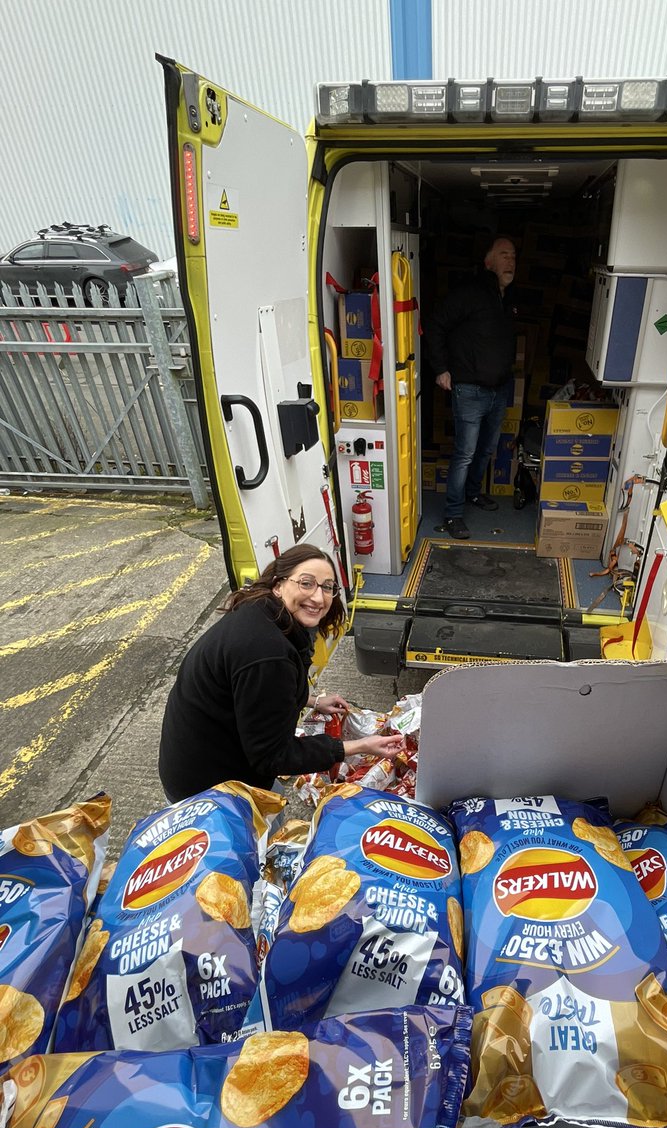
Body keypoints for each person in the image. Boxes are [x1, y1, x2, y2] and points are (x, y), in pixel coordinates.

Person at [158, 543, 404, 802]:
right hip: (210, 791)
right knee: (269, 819)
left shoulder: (260, 613)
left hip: (203, 759)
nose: (318, 598)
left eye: (327, 587)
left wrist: (311, 700)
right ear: (278, 585)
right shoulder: (267, 653)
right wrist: (359, 746)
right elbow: (273, 756)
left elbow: (254, 694)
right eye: (306, 583)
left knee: (274, 795)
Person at [427, 236, 518, 539]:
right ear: (488, 262)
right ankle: (453, 513)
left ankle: (473, 493)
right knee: (465, 453)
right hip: (469, 389)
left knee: (486, 449)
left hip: (499, 389)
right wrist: (440, 368)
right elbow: (436, 324)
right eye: (503, 255)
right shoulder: (470, 293)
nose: (510, 261)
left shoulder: (507, 299)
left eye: (513, 256)